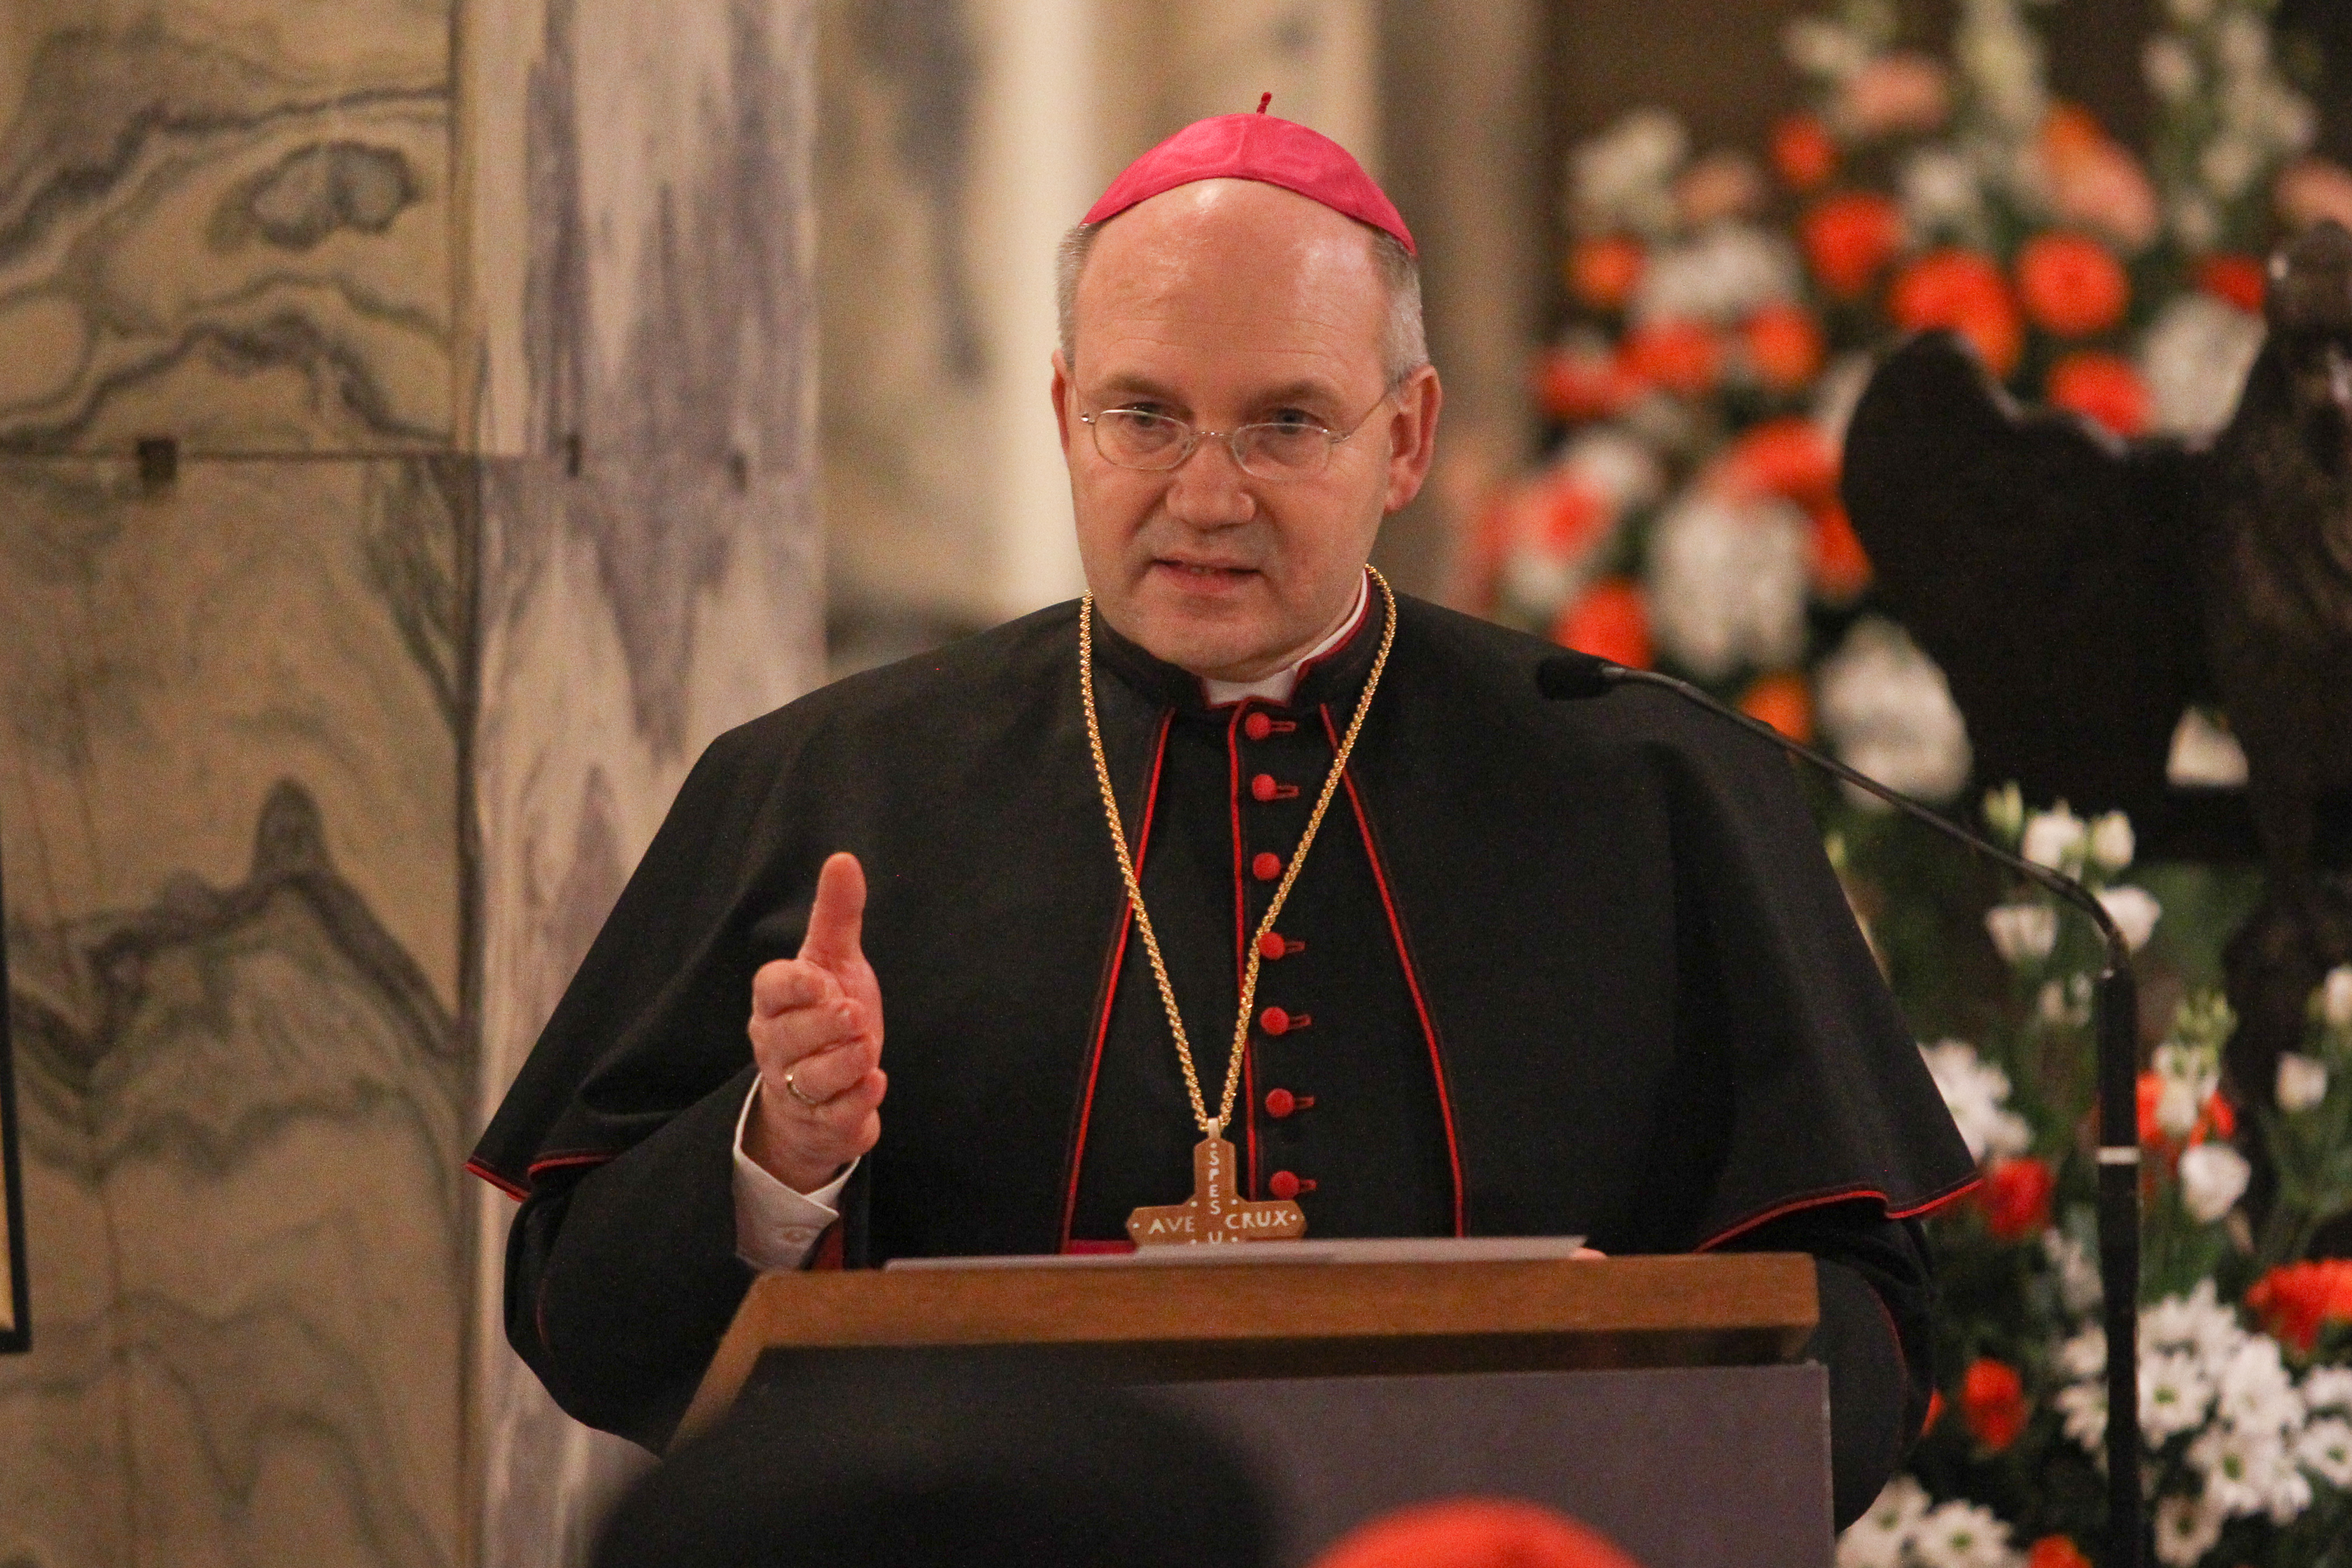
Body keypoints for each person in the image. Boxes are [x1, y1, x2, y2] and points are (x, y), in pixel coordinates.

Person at [470, 107, 1977, 1526]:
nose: (1205, 495)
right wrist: (781, 1152)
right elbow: (582, 1321)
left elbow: (1856, 1321)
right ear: (1064, 413)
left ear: (1406, 438)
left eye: (1284, 425)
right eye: (1144, 416)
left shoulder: (1651, 783)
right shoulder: (830, 781)